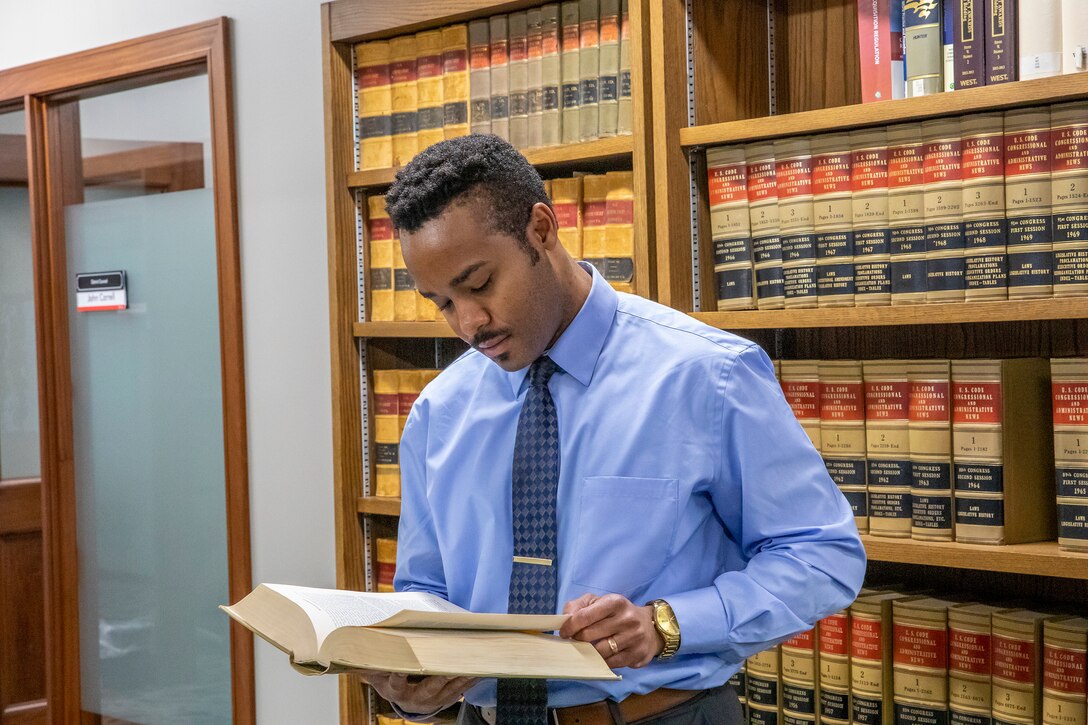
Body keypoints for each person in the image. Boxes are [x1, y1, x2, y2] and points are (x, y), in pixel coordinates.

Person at [358, 134, 866, 724]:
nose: (470, 323)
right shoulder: (438, 411)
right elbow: (427, 588)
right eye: (442, 303)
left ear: (541, 229)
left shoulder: (707, 374)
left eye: (479, 284)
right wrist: (416, 684)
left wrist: (666, 624)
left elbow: (821, 555)